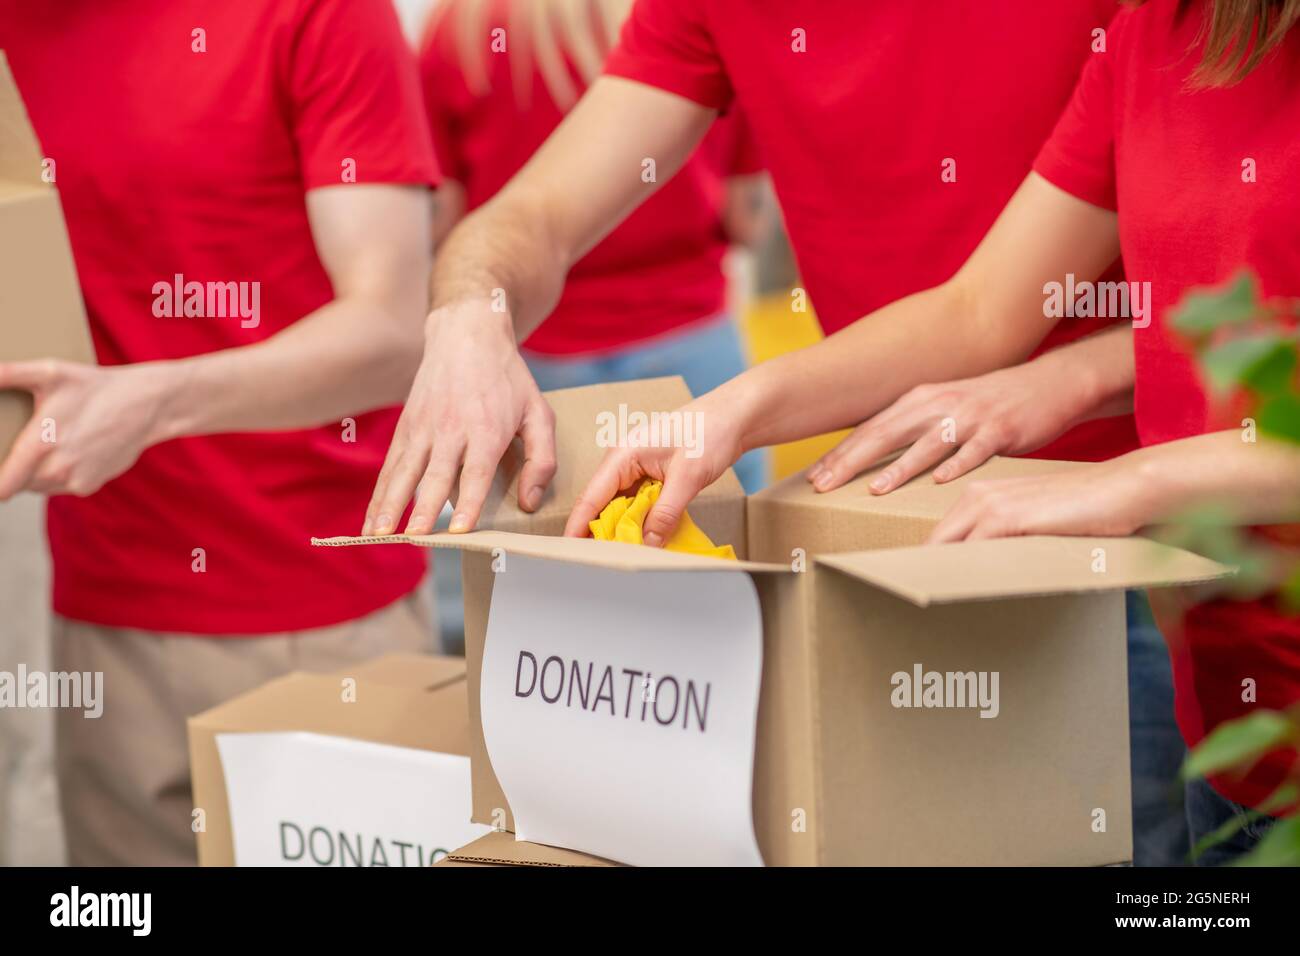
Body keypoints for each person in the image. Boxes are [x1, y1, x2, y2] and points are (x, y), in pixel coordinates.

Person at [370, 1, 1194, 864]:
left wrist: (740, 407)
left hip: (1125, 545)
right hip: (888, 531)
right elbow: (535, 215)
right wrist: (469, 312)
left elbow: (1221, 297)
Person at [567, 0, 1300, 863]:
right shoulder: (1149, 36)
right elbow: (980, 308)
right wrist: (733, 412)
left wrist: (1131, 479)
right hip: (1233, 721)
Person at [0, 0, 439, 865]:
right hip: (103, 615)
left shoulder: (320, 15)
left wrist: (152, 404)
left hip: (320, 610)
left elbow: (390, 331)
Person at [418, 0, 771, 493]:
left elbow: (445, 223)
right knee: (727, 551)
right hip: (690, 350)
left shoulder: (462, 29)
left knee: (521, 556)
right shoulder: (700, 18)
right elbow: (744, 217)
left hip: (531, 363)